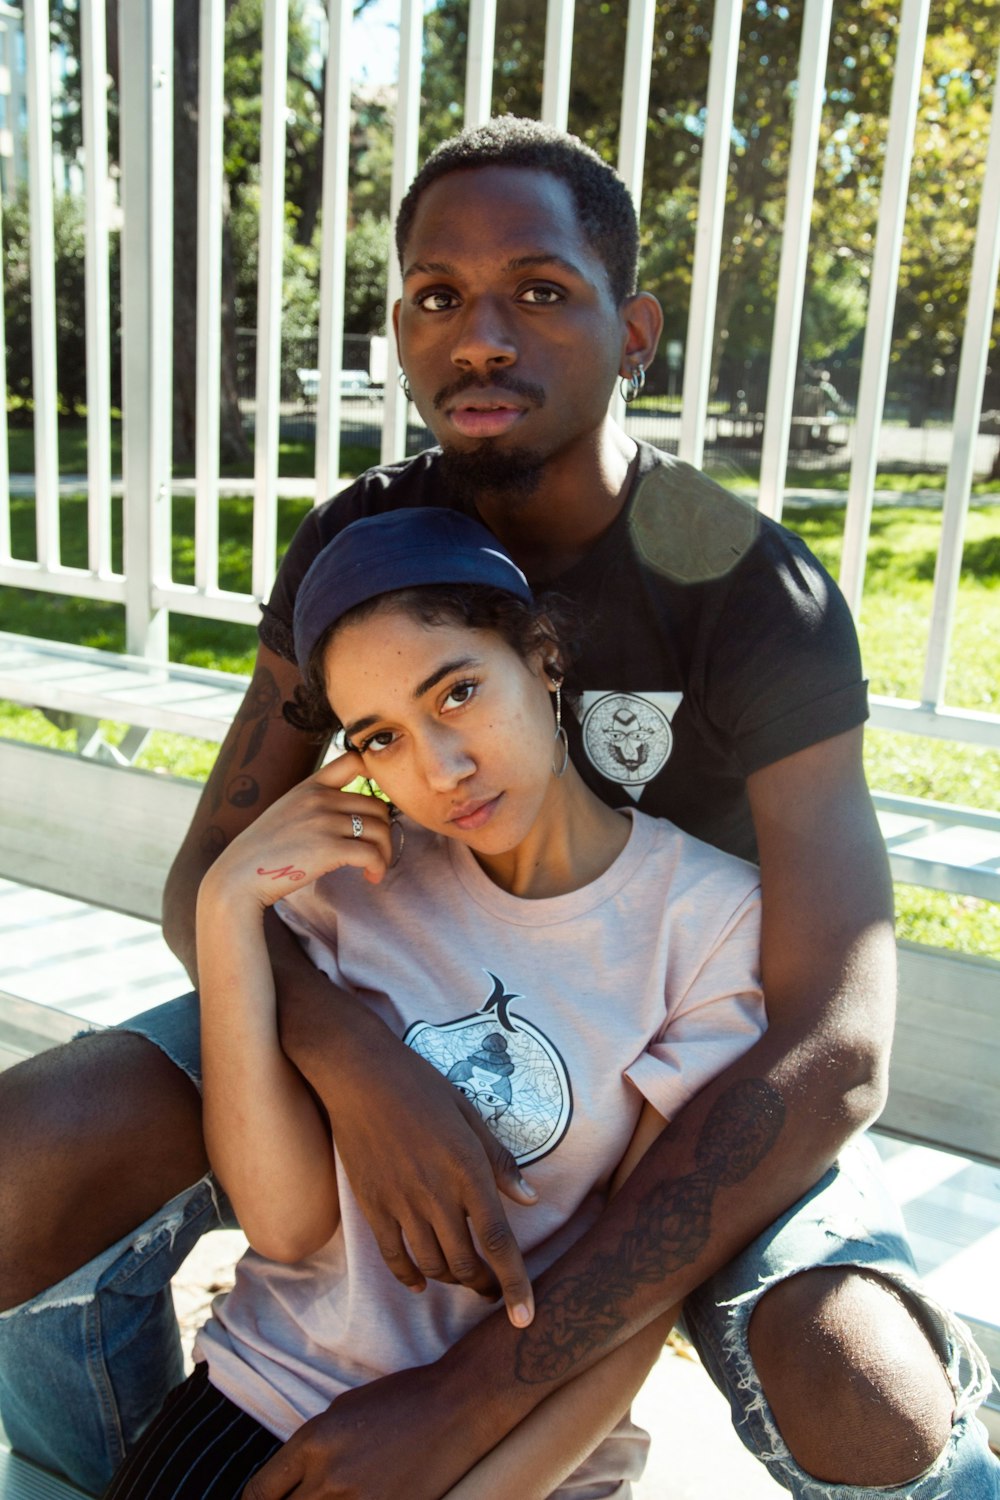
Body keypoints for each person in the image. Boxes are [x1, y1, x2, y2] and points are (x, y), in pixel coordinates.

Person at [0, 116, 995, 1499]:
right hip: (397, 983)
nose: (480, 337)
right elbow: (212, 872)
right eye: (435, 297)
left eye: (539, 290)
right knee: (23, 1156)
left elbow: (834, 1040)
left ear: (633, 329)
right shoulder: (361, 545)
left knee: (864, 1384)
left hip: (672, 1063)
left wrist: (475, 1397)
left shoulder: (750, 592)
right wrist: (358, 1066)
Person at [103, 506, 767, 1499]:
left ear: (542, 659)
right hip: (269, 1400)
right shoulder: (353, 882)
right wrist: (230, 901)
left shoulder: (706, 922)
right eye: (381, 738)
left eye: (457, 692)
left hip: (523, 1452)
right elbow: (284, 1228)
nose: (440, 771)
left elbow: (648, 1284)